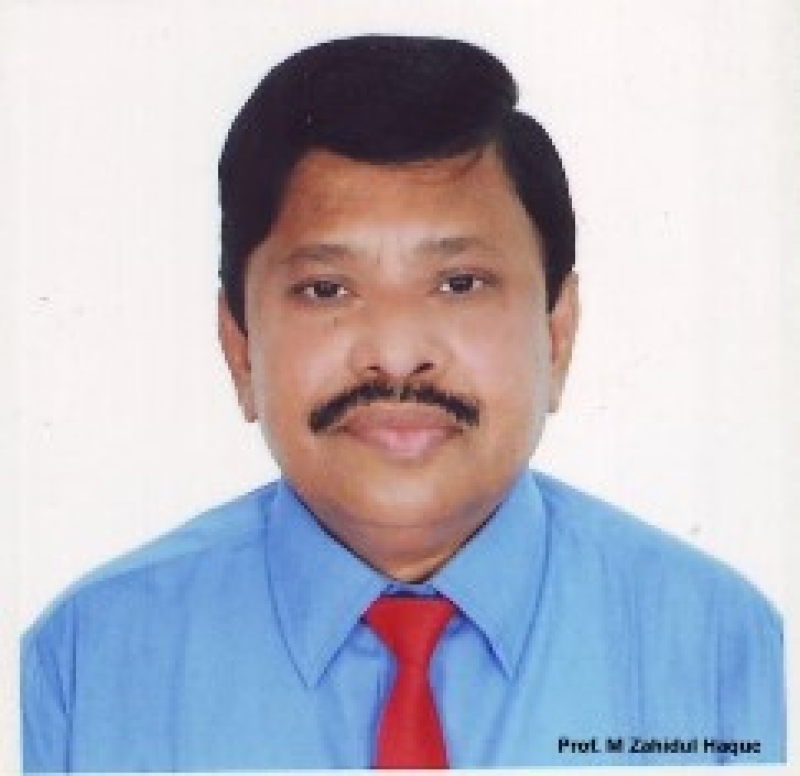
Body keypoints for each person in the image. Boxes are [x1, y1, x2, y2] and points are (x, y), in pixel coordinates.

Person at [22, 34, 784, 770]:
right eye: (327, 289)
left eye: (460, 283)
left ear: (557, 335)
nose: (393, 353)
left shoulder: (721, 644)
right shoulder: (86, 658)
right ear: (240, 346)